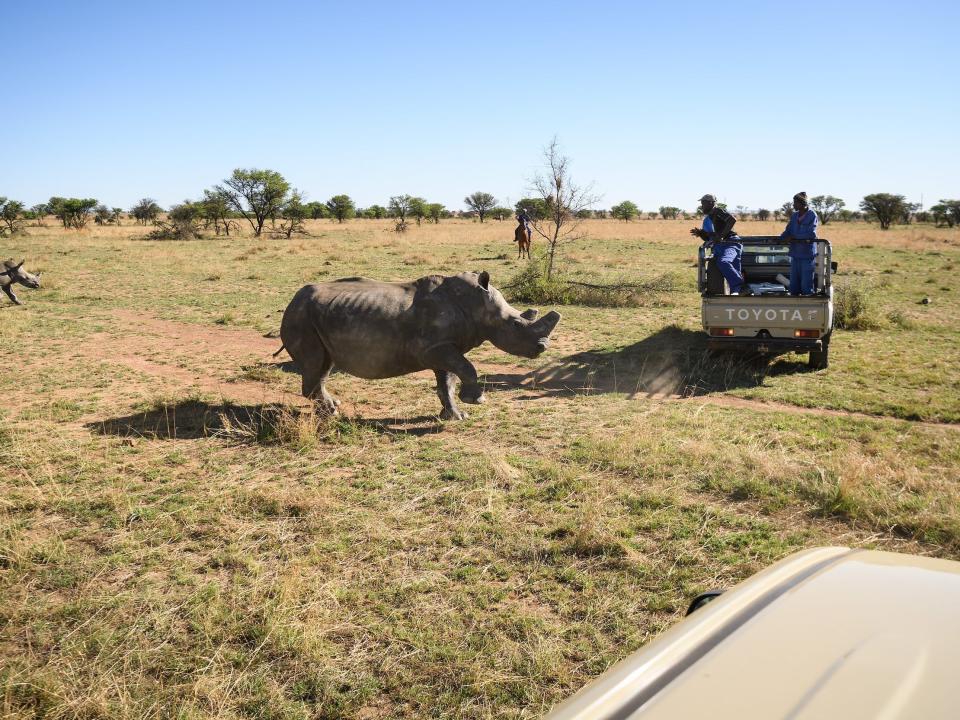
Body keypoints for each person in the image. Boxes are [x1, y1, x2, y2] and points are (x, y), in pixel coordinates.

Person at [690, 194, 748, 295]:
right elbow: (708, 238)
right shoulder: (707, 219)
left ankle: (742, 287)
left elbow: (732, 220)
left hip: (730, 243)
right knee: (734, 271)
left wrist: (721, 236)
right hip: (719, 246)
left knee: (724, 262)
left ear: (711, 203)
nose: (702, 206)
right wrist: (700, 233)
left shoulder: (717, 211)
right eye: (701, 203)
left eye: (703, 203)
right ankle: (738, 292)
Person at [781, 192, 819, 295]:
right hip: (795, 254)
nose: (793, 205)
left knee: (806, 285)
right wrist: (781, 238)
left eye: (795, 203)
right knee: (793, 285)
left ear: (803, 203)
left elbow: (811, 233)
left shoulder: (812, 215)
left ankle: (808, 307)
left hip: (807, 255)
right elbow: (788, 230)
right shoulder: (794, 215)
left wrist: (794, 237)